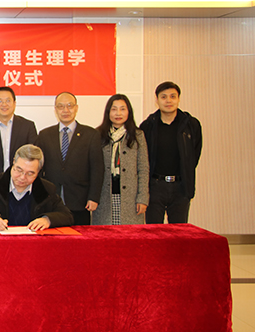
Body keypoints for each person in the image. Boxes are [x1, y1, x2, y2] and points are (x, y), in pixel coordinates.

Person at [0, 144, 73, 231]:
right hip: (0, 245)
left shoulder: (46, 189)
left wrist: (48, 220)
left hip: (33, 246)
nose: (22, 177)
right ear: (13, 162)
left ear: (38, 172)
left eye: (30, 174)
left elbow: (67, 216)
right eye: (19, 170)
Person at [34, 92, 103, 225]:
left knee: (80, 236)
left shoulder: (91, 135)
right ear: (55, 109)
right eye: (61, 106)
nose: (65, 110)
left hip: (80, 200)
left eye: (69, 106)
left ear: (76, 108)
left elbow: (97, 168)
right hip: (51, 200)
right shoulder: (44, 135)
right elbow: (38, 168)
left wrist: (94, 197)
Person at [140, 81, 202, 224]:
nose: (168, 101)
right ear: (157, 100)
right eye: (164, 97)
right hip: (154, 186)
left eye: (173, 96)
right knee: (154, 231)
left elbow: (194, 155)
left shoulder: (191, 125)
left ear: (178, 99)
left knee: (179, 231)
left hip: (181, 186)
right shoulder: (148, 126)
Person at [92, 94, 150, 225]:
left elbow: (143, 168)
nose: (118, 113)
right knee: (106, 234)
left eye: (122, 109)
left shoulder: (138, 135)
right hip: (105, 197)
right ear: (108, 112)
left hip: (131, 198)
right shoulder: (98, 135)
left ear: (129, 112)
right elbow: (93, 168)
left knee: (129, 235)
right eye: (114, 109)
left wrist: (142, 198)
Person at [0, 86, 38, 178]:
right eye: (0, 101)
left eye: (8, 100)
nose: (4, 104)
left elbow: (33, 156)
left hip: (22, 180)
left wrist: (20, 177)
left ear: (14, 103)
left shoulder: (27, 127)